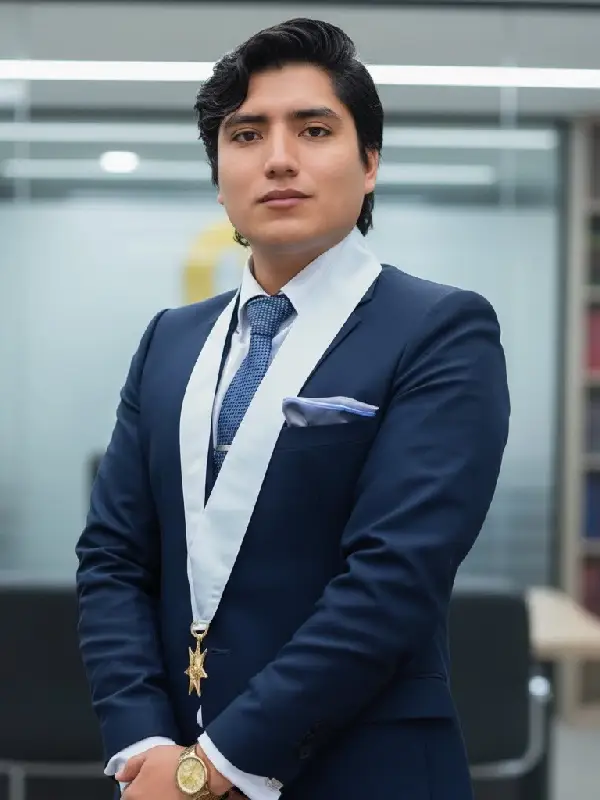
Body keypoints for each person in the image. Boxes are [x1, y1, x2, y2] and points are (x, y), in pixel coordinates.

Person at [75, 17, 510, 800]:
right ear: (219, 176)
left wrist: (214, 767)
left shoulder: (438, 330)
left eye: (313, 130)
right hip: (166, 768)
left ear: (369, 163)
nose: (278, 158)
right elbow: (113, 557)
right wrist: (145, 742)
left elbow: (392, 580)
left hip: (362, 771)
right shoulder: (170, 340)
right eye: (246, 135)